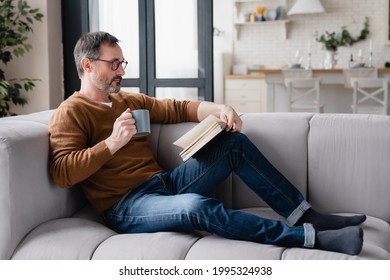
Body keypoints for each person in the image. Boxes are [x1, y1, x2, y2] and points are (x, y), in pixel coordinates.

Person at [49, 31, 366, 256]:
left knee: (234, 143)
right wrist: (113, 143)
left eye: (122, 63)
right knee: (196, 207)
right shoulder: (70, 112)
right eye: (113, 63)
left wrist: (220, 109)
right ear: (88, 65)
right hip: (126, 207)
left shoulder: (128, 100)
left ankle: (304, 214)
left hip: (165, 184)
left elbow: (176, 108)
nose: (121, 71)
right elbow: (63, 172)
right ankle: (310, 238)